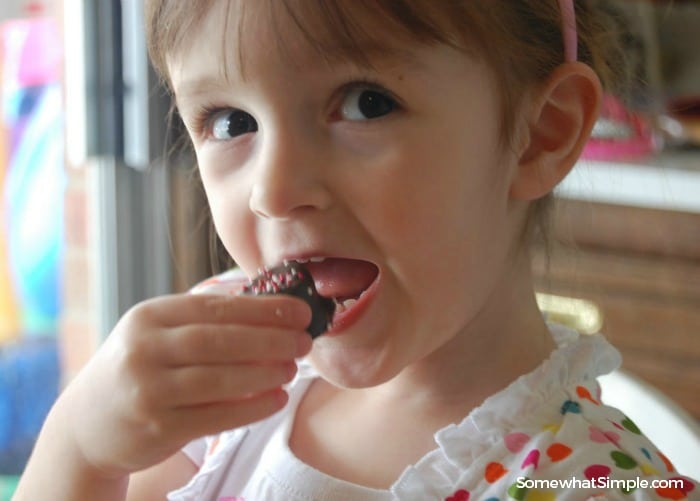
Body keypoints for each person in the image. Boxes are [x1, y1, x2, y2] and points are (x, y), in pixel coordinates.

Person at [14, 1, 699, 499]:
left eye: (366, 103)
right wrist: (82, 444)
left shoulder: (584, 485)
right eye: (231, 122)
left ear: (542, 133)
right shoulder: (222, 374)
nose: (273, 191)